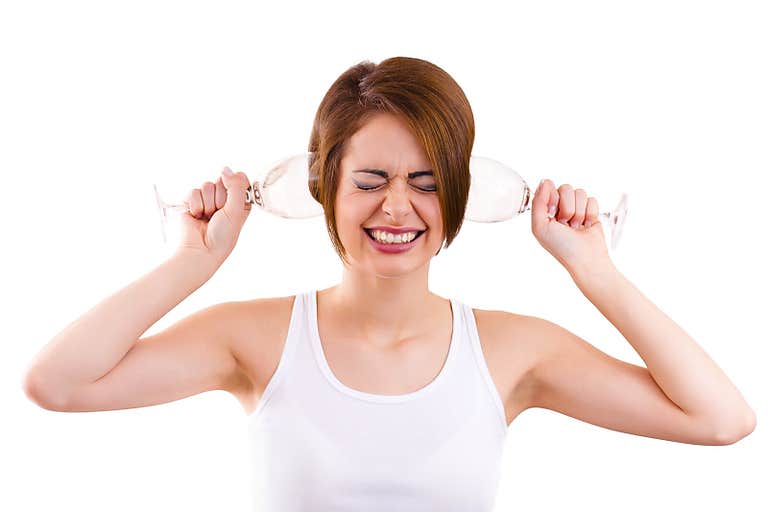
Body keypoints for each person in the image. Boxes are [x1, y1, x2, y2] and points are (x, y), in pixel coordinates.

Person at [23, 57, 756, 511]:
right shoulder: (253, 338)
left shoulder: (514, 351)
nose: (398, 208)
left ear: (461, 195)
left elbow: (721, 419)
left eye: (427, 183)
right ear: (325, 188)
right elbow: (56, 383)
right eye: (371, 180)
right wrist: (191, 263)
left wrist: (595, 272)